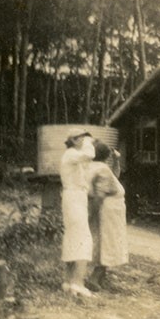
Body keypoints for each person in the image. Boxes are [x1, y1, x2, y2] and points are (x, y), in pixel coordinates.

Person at [86, 141, 129, 292]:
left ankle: (100, 278)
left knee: (108, 242)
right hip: (108, 209)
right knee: (108, 242)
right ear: (105, 155)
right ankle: (95, 277)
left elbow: (114, 177)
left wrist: (116, 160)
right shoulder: (101, 168)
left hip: (112, 208)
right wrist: (94, 212)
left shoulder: (97, 167)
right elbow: (101, 194)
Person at [59, 127, 96, 298]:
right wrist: (89, 143)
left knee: (74, 237)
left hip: (75, 197)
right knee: (83, 239)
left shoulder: (73, 157)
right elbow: (90, 154)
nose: (84, 141)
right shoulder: (72, 153)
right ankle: (77, 283)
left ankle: (68, 282)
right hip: (74, 197)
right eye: (81, 138)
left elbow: (87, 166)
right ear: (73, 140)